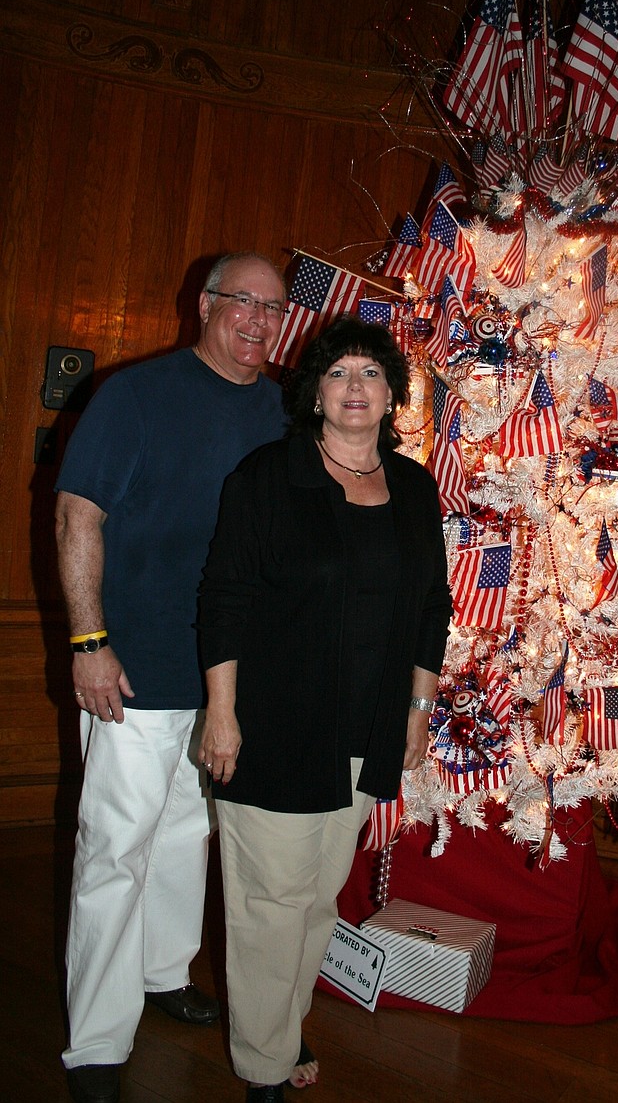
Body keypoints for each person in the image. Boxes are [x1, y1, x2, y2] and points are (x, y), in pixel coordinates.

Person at [196, 315, 452, 1101]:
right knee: (271, 901)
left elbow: (431, 608)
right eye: (338, 372)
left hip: (366, 728)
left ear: (391, 394)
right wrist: (221, 712)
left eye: (371, 372)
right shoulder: (268, 477)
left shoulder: (413, 487)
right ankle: (263, 1066)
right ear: (315, 392)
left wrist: (418, 708)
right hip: (275, 726)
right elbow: (225, 598)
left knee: (313, 899)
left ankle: (281, 1021)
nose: (354, 386)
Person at [55, 253, 289, 1103]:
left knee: (189, 832)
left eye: (273, 307)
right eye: (241, 301)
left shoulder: (282, 408)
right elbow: (77, 514)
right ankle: (95, 1040)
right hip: (136, 667)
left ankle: (163, 971)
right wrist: (90, 640)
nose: (257, 319)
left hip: (229, 676)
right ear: (205, 304)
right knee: (116, 847)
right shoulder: (135, 395)